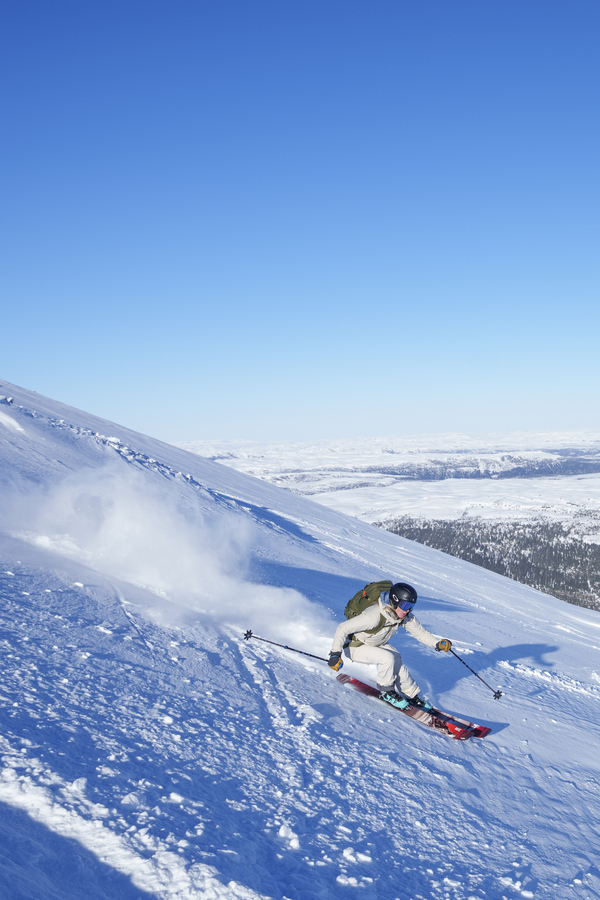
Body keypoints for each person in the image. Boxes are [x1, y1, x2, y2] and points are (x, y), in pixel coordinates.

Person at [328, 581, 452, 711]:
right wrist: (335, 654)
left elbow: (420, 633)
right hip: (355, 647)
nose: (407, 610)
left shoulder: (402, 615)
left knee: (395, 658)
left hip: (375, 644)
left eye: (411, 606)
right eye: (405, 605)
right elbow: (343, 628)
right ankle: (387, 691)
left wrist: (437, 643)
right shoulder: (374, 615)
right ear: (394, 601)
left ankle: (412, 696)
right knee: (387, 658)